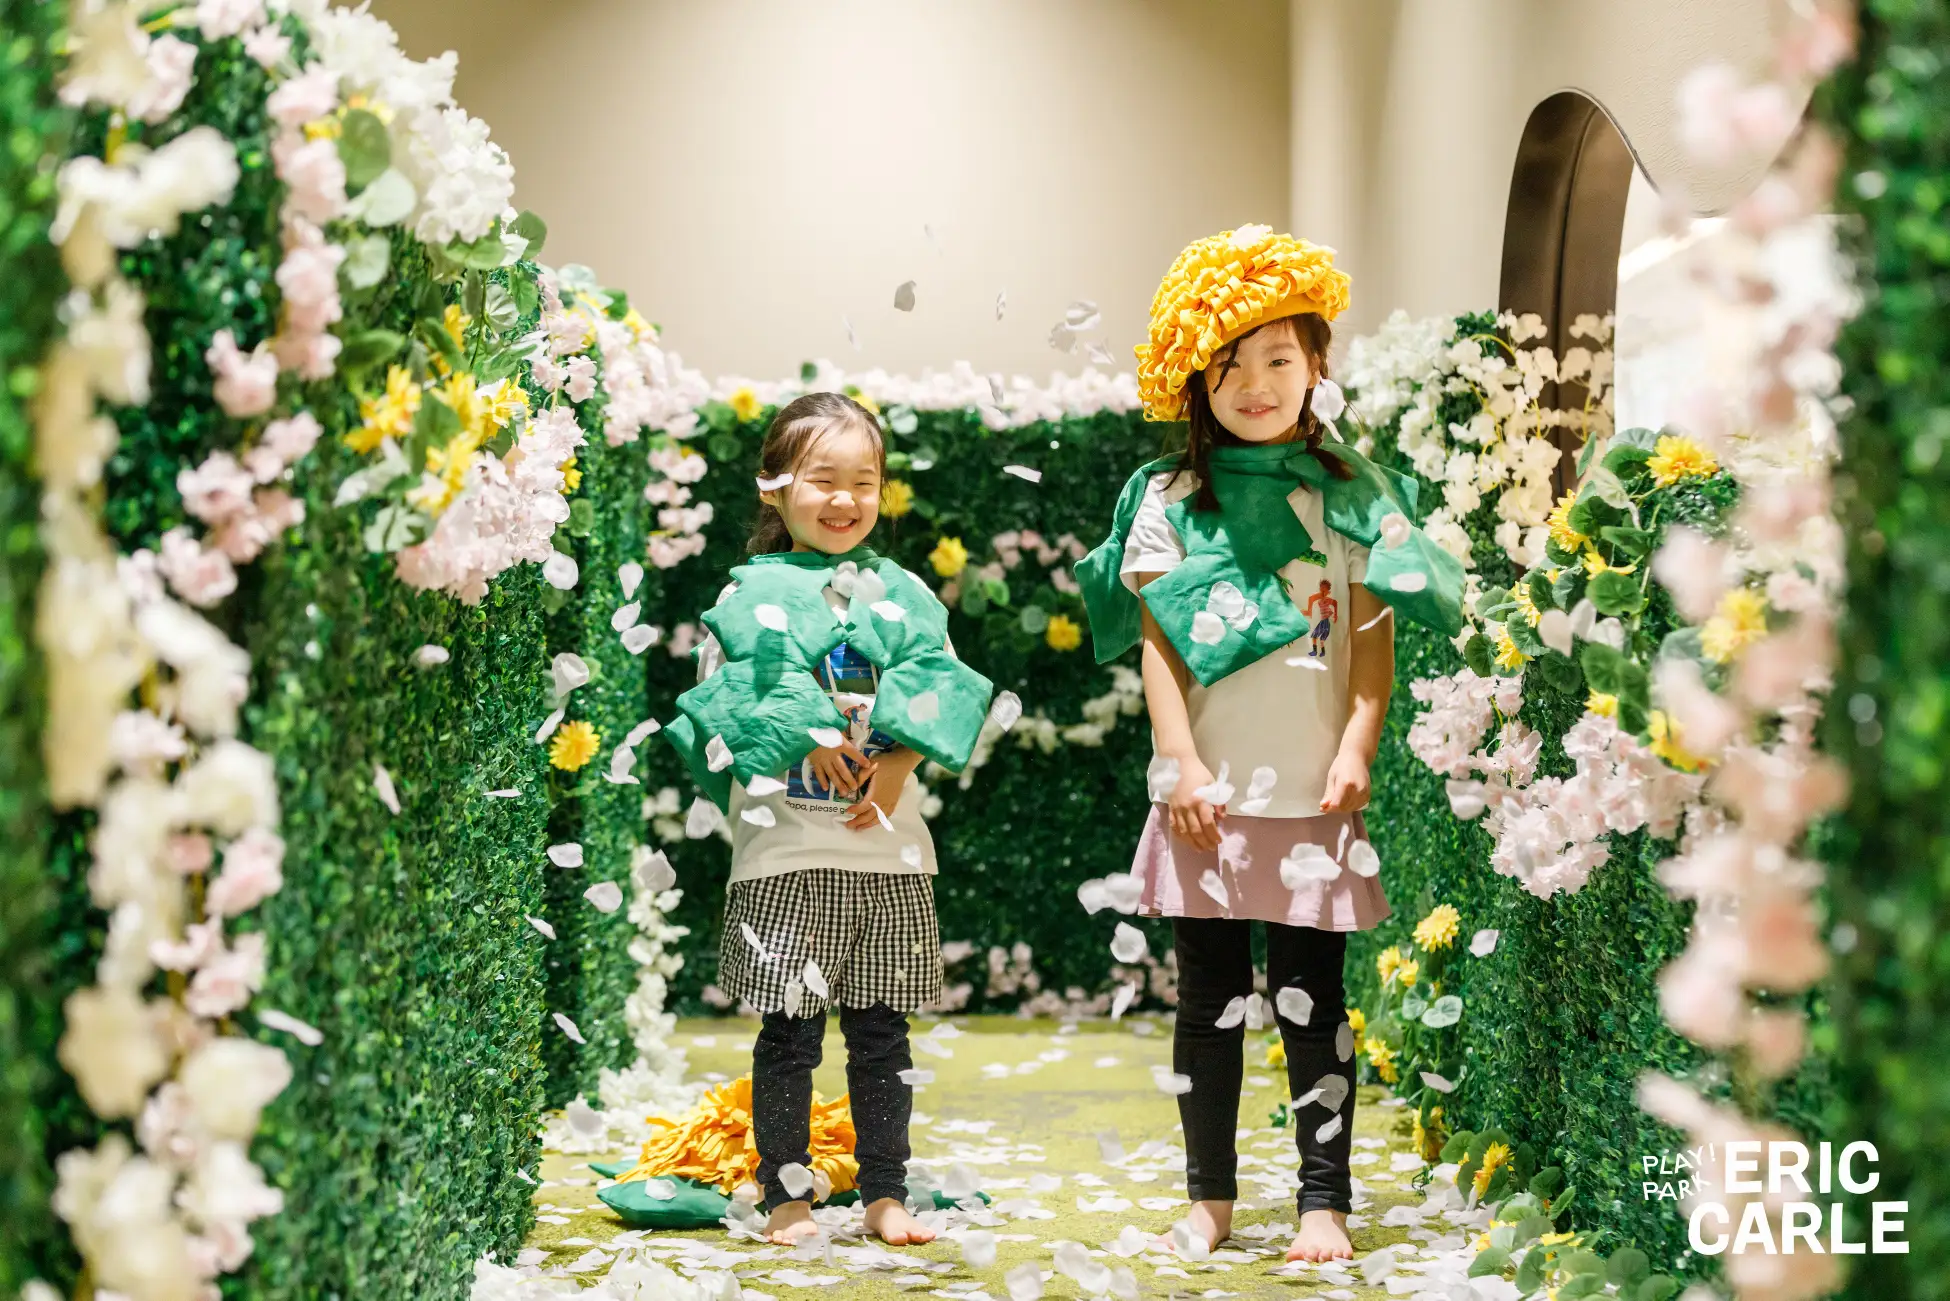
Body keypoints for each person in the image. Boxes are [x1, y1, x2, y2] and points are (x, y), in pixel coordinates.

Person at [1075, 226, 1465, 1263]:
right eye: (1230, 363)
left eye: (1279, 358)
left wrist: (1358, 746)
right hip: (1204, 794)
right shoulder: (1165, 497)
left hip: (1310, 793)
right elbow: (1158, 644)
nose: (1255, 384)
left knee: (1314, 1002)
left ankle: (1322, 1201)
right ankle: (1209, 1200)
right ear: (1193, 378)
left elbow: (1372, 642)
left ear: (1317, 366)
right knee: (1207, 1000)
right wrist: (1180, 762)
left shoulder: (1349, 493)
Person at [663, 391, 994, 1246]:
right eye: (823, 479)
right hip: (786, 856)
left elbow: (947, 687)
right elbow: (720, 704)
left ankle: (885, 1192)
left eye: (864, 481)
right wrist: (799, 737)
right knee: (791, 1036)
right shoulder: (745, 597)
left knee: (883, 1037)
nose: (845, 499)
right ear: (774, 486)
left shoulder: (902, 593)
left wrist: (900, 763)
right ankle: (787, 1197)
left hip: (886, 856)